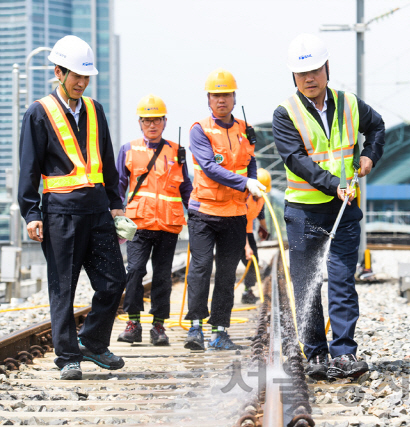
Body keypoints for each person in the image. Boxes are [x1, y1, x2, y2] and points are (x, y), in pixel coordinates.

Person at [272, 34, 386, 380]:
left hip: (344, 210)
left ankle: (344, 353)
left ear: (327, 70)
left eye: (315, 70)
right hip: (305, 211)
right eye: (302, 72)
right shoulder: (285, 114)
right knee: (307, 284)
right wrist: (333, 184)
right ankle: (316, 355)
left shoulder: (350, 103)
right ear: (293, 77)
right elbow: (295, 159)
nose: (309, 78)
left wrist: (369, 156)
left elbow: (377, 127)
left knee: (340, 280)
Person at [18, 35, 127, 380]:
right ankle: (67, 357)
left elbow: (107, 162)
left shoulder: (95, 110)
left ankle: (93, 342)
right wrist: (31, 213)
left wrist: (116, 205)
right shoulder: (39, 112)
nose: (81, 83)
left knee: (114, 281)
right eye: (75, 76)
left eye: (86, 77)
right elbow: (29, 167)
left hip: (97, 212)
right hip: (59, 215)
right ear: (58, 72)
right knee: (62, 287)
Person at [184, 68, 265, 351]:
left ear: (234, 97)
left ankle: (219, 331)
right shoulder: (199, 129)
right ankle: (195, 327)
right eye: (216, 95)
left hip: (234, 214)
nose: (221, 100)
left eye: (226, 95)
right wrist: (245, 182)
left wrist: (252, 178)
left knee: (227, 272)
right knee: (201, 267)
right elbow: (209, 167)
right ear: (208, 99)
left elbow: (250, 160)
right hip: (204, 213)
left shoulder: (245, 129)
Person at [115, 94, 192, 346]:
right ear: (140, 122)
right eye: (147, 120)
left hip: (168, 225)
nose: (152, 125)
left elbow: (186, 188)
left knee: (162, 276)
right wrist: (114, 215)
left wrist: (195, 214)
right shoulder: (128, 149)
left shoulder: (177, 152)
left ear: (165, 121)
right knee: (135, 271)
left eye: (156, 119)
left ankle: (159, 326)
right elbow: (118, 187)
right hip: (139, 224)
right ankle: (133, 322)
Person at [240, 168, 272, 304]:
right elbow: (240, 224)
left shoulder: (261, 197)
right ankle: (226, 295)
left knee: (253, 261)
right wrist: (246, 247)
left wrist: (263, 228)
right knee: (242, 260)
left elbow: (260, 212)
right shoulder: (245, 198)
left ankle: (248, 291)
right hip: (235, 231)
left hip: (247, 231)